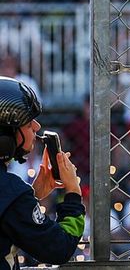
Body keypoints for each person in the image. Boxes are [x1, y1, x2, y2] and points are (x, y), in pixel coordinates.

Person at [0, 77, 85, 270]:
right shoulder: (11, 191)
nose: (37, 127)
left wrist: (32, 195)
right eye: (28, 123)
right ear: (4, 133)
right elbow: (59, 248)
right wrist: (71, 193)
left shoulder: (12, 195)